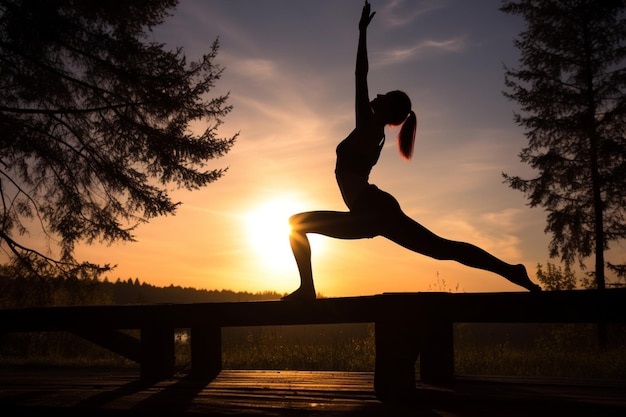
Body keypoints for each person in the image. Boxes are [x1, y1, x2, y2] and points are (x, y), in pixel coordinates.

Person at [283, 1, 541, 301]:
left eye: (383, 96)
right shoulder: (372, 131)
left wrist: (362, 33)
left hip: (371, 210)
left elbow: (360, 75)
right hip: (374, 210)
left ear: (387, 108)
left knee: (295, 223)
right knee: (443, 249)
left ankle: (307, 289)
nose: (375, 95)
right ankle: (512, 271)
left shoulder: (368, 127)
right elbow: (362, 80)